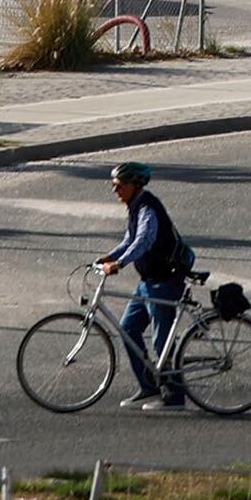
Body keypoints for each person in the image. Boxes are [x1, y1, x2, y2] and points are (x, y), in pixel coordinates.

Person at [96, 161, 192, 410]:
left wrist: (120, 264)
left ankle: (174, 397)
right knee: (128, 328)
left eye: (118, 186)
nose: (114, 191)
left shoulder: (148, 207)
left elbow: (144, 241)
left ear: (134, 185)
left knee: (162, 342)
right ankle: (149, 388)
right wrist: (110, 256)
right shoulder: (136, 205)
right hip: (148, 283)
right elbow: (130, 238)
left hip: (165, 282)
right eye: (113, 185)